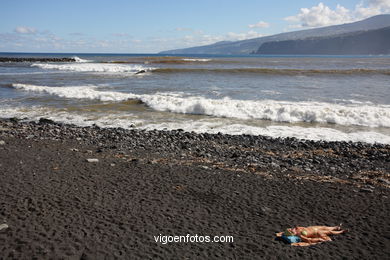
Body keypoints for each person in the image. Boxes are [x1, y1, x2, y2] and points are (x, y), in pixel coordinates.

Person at [276, 224, 347, 246]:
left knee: (324, 227)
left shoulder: (297, 229)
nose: (292, 229)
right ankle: (341, 231)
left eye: (291, 229)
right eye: (292, 230)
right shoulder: (300, 236)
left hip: (311, 228)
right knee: (328, 232)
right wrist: (319, 240)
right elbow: (308, 240)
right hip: (315, 233)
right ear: (293, 234)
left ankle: (336, 227)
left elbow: (283, 232)